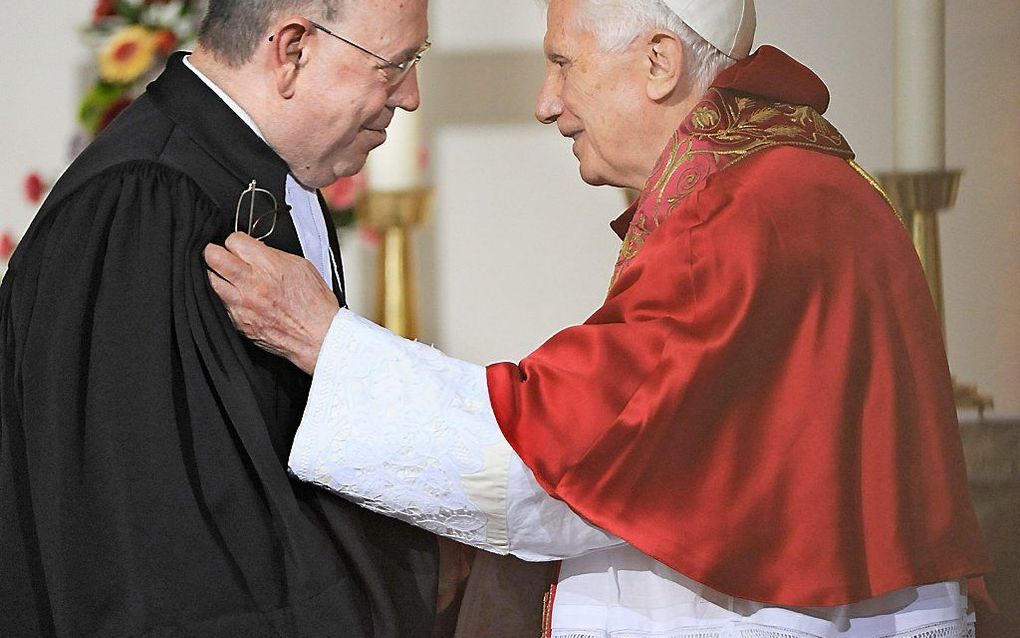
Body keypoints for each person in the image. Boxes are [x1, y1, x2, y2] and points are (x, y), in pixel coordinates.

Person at [205, 0, 993, 635]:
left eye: (562, 64)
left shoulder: (743, 217)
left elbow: (558, 459)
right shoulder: (795, 180)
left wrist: (326, 341)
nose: (547, 105)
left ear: (659, 63)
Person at [0, 1, 438, 636]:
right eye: (395, 65)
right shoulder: (141, 206)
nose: (412, 97)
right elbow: (151, 559)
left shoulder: (269, 181)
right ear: (292, 49)